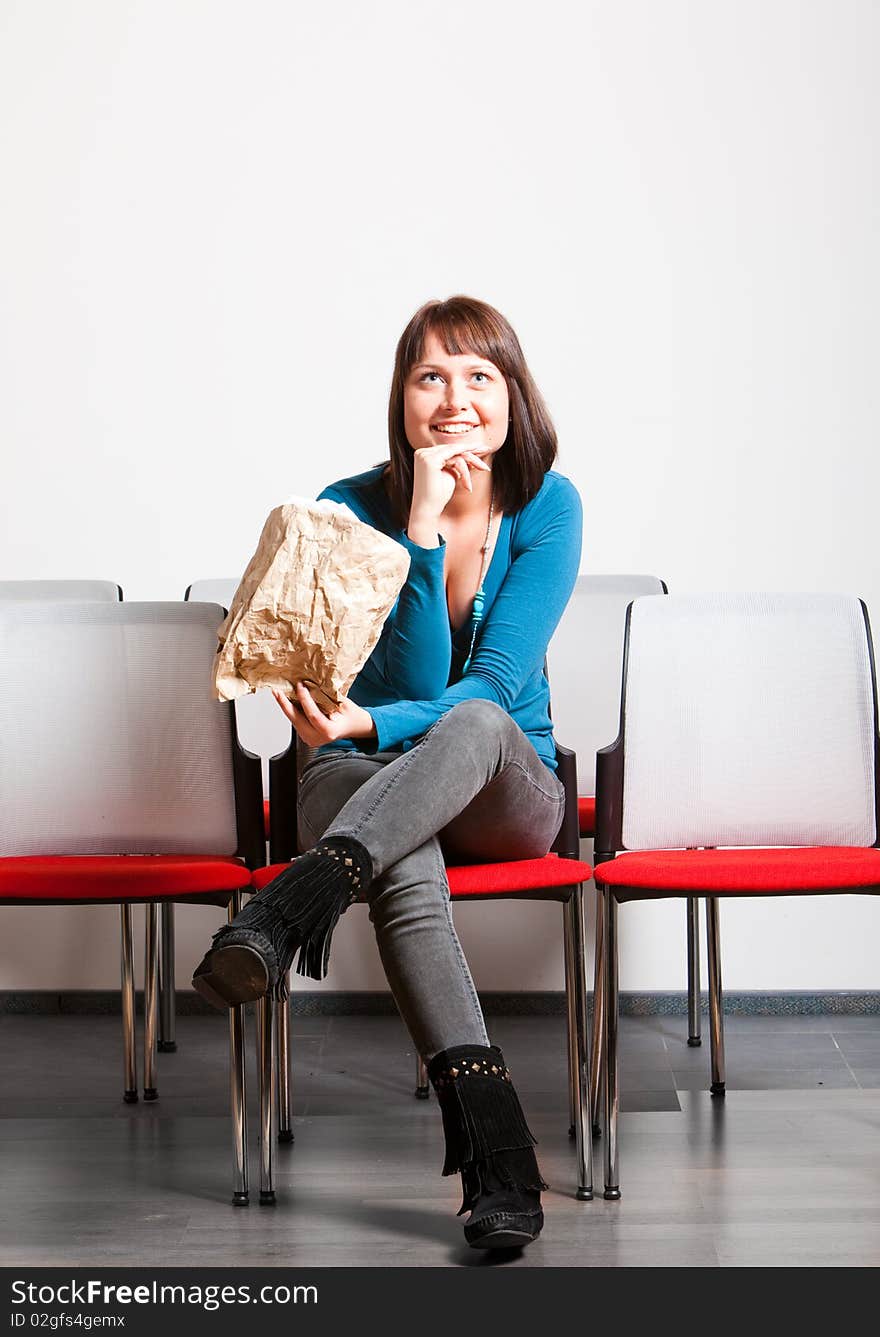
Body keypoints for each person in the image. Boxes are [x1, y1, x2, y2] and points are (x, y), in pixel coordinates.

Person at [193, 295, 583, 1250]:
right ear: (402, 398)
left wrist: (370, 717)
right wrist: (418, 526)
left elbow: (484, 686)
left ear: (513, 396)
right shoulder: (347, 505)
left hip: (500, 781)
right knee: (397, 855)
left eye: (478, 376)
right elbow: (401, 681)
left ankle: (293, 904)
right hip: (360, 775)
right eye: (430, 375)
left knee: (480, 715)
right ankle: (497, 1164)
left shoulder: (548, 505)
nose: (454, 398)